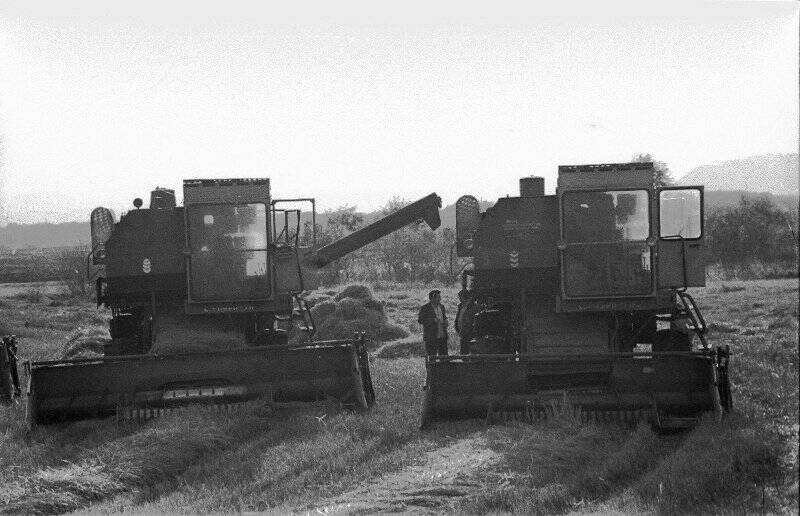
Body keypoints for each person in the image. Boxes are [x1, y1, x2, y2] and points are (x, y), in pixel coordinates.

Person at [418, 289, 448, 356]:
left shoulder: (442, 307)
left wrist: (446, 321)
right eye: (438, 297)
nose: (440, 299)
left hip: (442, 336)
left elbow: (444, 317)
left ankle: (443, 366)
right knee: (432, 357)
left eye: (440, 297)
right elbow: (420, 320)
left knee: (444, 357)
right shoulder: (425, 308)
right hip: (431, 337)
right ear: (432, 298)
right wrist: (432, 320)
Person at [455, 290, 478, 354]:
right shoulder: (460, 306)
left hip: (470, 333)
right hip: (462, 333)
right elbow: (458, 318)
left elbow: (475, 320)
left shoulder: (474, 307)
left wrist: (470, 329)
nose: (459, 299)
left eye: (460, 297)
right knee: (463, 352)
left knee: (469, 352)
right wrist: (457, 329)